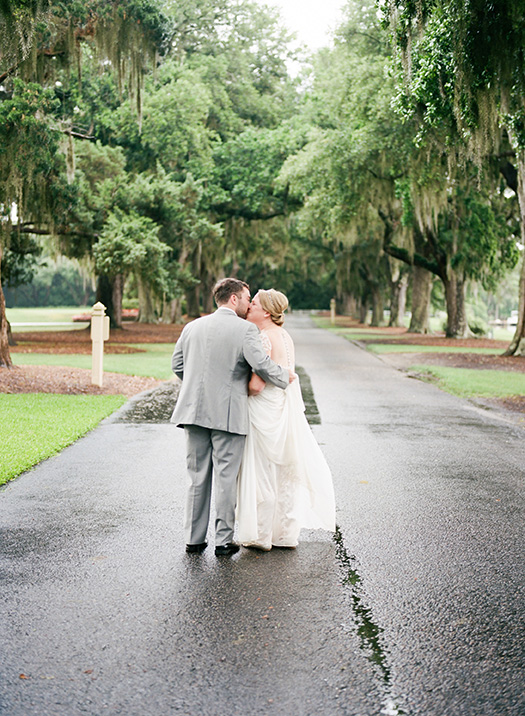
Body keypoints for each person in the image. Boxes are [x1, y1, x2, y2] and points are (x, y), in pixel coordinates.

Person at [171, 278, 294, 557]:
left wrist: (195, 388)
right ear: (234, 299)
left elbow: (177, 365)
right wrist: (284, 376)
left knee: (197, 477)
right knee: (226, 479)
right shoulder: (245, 330)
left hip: (193, 412)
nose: (250, 303)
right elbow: (260, 365)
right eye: (247, 298)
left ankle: (194, 540)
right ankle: (223, 542)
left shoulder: (192, 326)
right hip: (228, 414)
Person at [236, 289, 336, 550]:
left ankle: (260, 535)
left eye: (253, 304)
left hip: (263, 410)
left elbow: (257, 386)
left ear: (266, 312)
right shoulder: (284, 336)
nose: (249, 307)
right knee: (284, 471)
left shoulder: (264, 338)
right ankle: (285, 534)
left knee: (262, 470)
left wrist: (234, 389)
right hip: (281, 407)